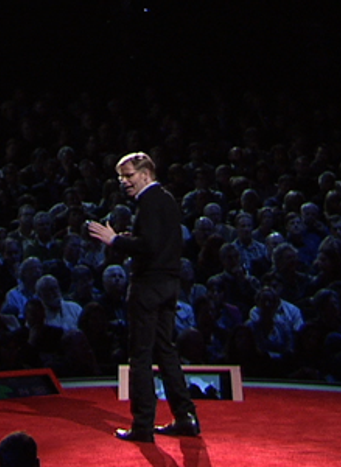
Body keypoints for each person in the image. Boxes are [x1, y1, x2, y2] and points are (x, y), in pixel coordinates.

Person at [87, 152, 199, 443]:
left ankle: (143, 425)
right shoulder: (167, 199)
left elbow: (148, 246)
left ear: (146, 174)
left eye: (128, 175)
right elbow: (161, 242)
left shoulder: (148, 202)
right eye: (120, 177)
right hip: (169, 284)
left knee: (141, 355)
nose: (123, 182)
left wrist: (115, 240)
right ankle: (185, 416)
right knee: (166, 350)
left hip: (148, 286)